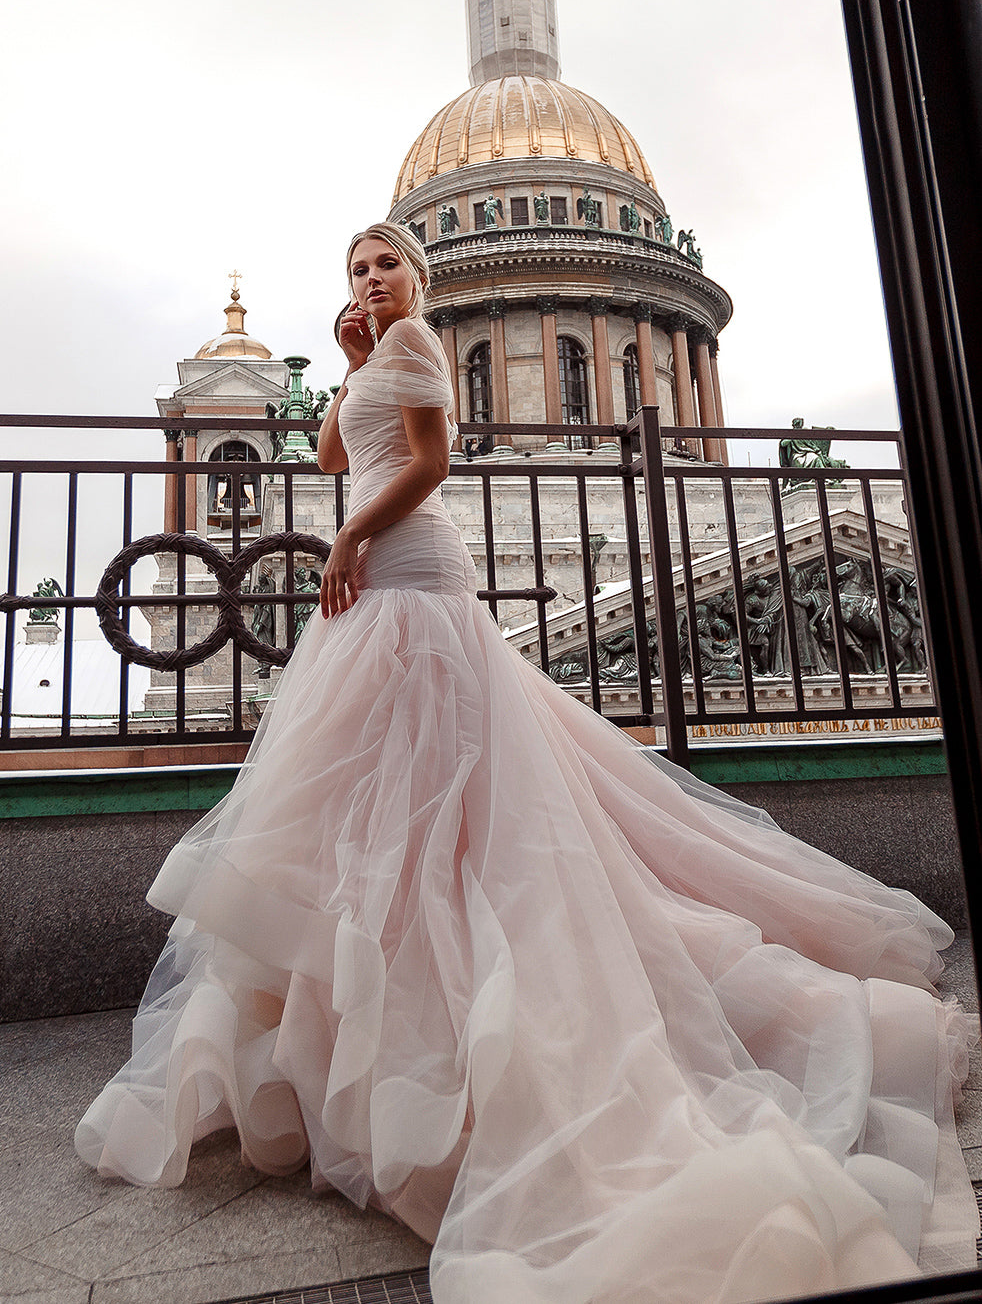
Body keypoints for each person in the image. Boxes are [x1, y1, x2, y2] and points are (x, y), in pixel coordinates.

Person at [76, 220, 979, 1303]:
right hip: (375, 587)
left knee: (434, 802)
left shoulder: (417, 346)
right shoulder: (382, 353)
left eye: (387, 265)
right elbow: (329, 456)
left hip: (403, 573)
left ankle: (435, 1037)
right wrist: (348, 365)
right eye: (357, 268)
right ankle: (382, 1028)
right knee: (388, 805)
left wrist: (354, 536)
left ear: (425, 278)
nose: (372, 280)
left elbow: (428, 463)